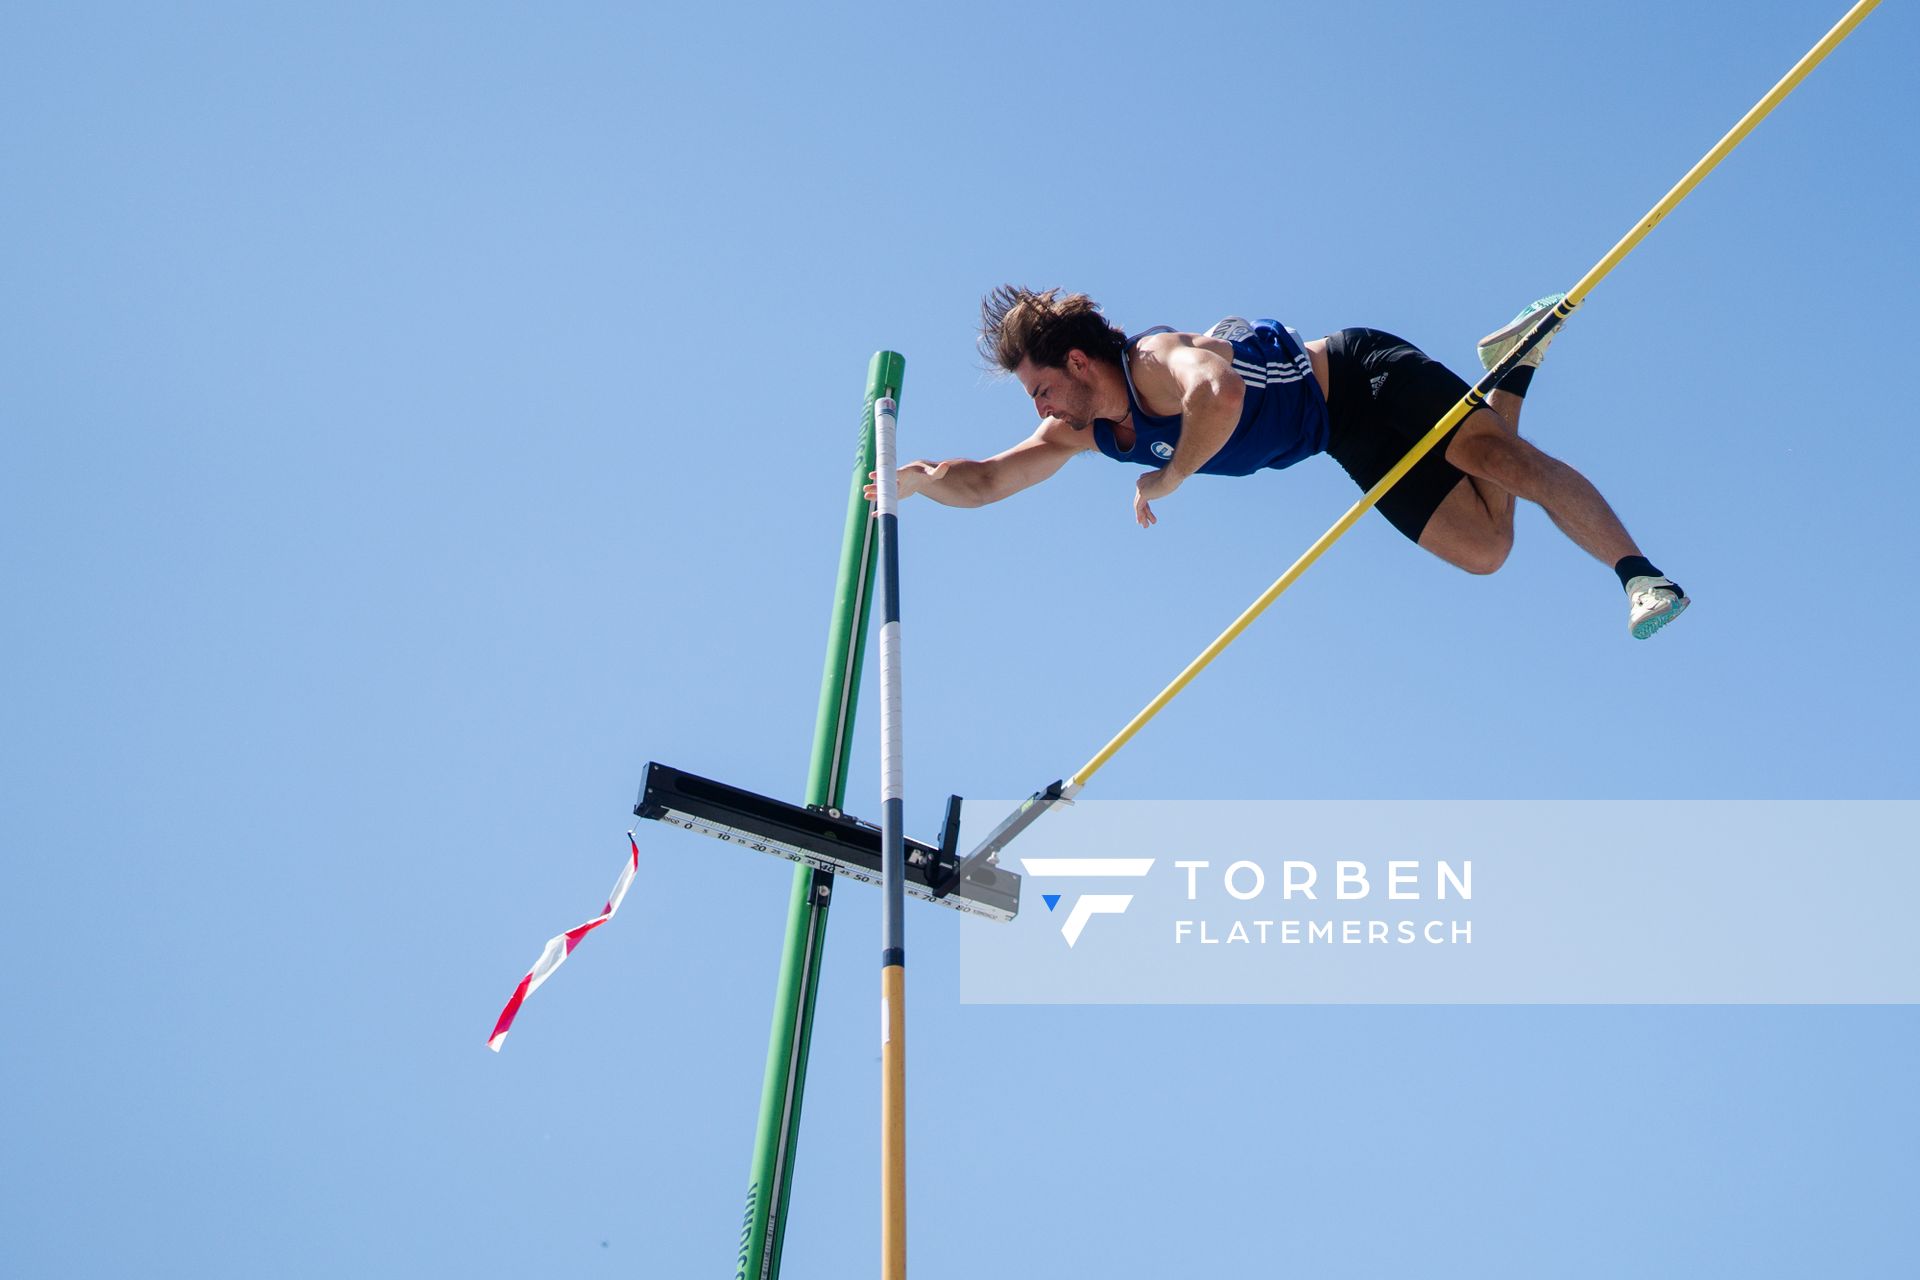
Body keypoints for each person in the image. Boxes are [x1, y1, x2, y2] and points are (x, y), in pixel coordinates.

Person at [872, 286, 1689, 639]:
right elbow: (988, 478)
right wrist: (913, 483)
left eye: (1043, 389)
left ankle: (1639, 575)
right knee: (1486, 547)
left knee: (1500, 461)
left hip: (1364, 376)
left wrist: (1170, 476)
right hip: (1340, 437)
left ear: (1080, 363)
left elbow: (1220, 393)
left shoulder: (1154, 359)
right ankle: (1512, 368)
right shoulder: (1089, 432)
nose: (1041, 411)